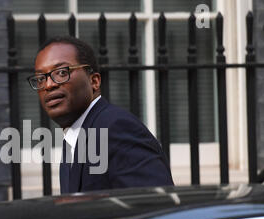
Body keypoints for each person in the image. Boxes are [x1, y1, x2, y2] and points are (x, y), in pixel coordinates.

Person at [27, 36, 174, 194]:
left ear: (94, 81)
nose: (49, 85)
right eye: (41, 78)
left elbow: (155, 206)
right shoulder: (73, 138)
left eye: (62, 72)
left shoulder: (116, 128)